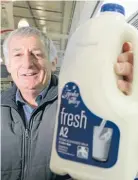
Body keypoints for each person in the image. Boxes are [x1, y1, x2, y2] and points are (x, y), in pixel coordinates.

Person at [1, 27, 133, 180]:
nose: (28, 63)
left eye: (37, 54)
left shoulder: (80, 105)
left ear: (53, 63)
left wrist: (123, 99)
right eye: (17, 55)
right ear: (8, 66)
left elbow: (110, 152)